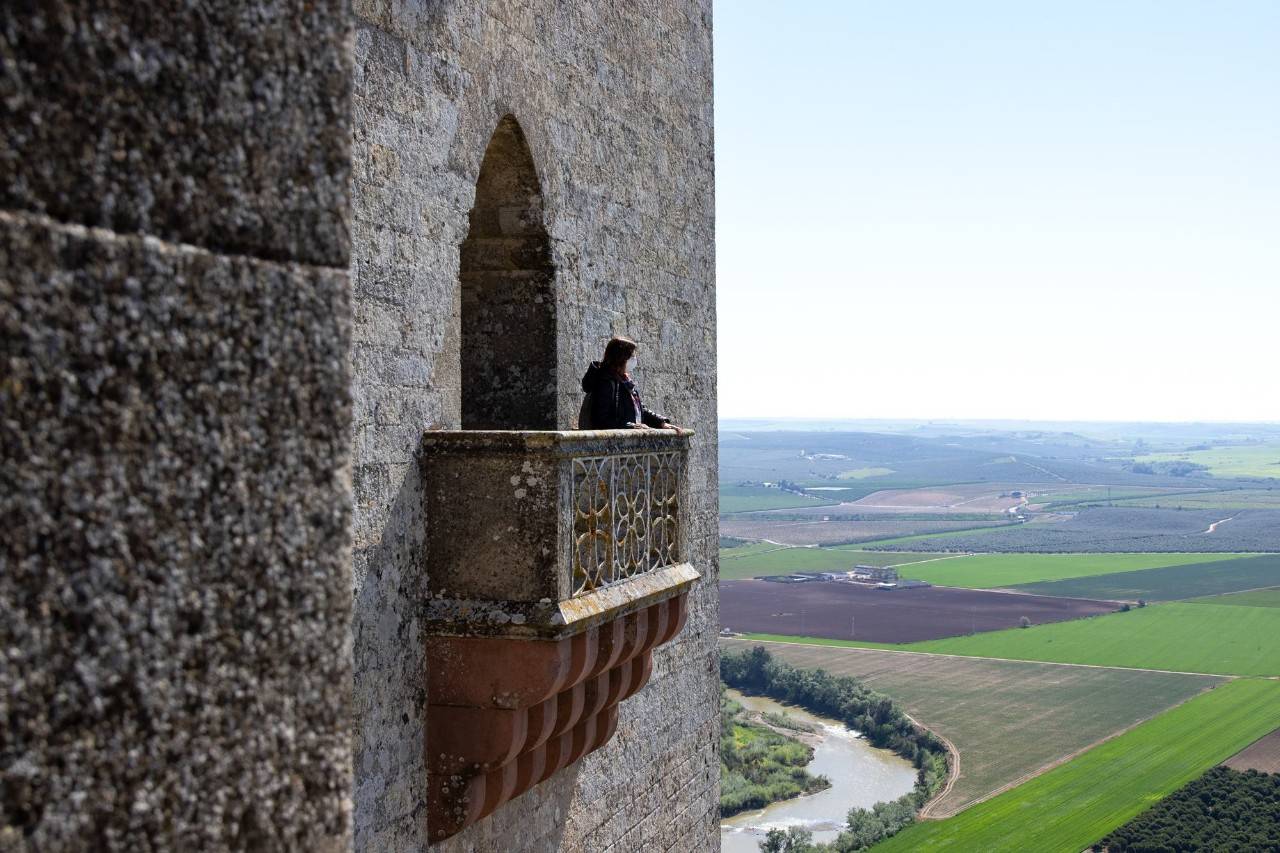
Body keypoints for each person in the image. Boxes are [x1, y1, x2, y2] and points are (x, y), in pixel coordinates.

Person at [579, 336, 680, 430]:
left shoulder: (624, 381)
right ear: (621, 358)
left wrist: (661, 423)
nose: (634, 360)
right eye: (631, 356)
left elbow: (639, 409)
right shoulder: (606, 382)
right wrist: (631, 426)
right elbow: (601, 420)